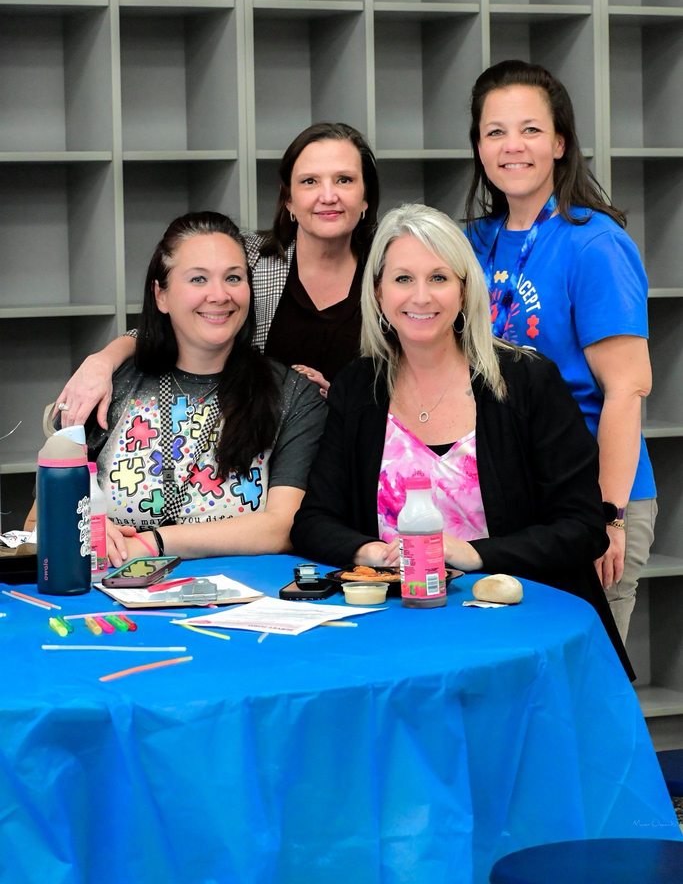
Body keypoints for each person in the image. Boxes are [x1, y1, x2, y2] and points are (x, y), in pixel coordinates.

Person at [290, 203, 632, 677]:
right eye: (403, 279)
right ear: (378, 292)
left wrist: (475, 554)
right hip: (392, 634)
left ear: (465, 288)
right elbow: (313, 520)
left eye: (439, 277)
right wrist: (369, 552)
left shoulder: (527, 380)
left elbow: (581, 526)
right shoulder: (358, 386)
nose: (421, 297)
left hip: (519, 633)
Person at [464, 59, 655, 643]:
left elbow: (627, 388)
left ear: (560, 142)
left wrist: (608, 518)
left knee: (585, 691)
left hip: (589, 500)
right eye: (495, 131)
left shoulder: (595, 243)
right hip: (507, 500)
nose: (511, 146)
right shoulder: (472, 242)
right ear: (478, 145)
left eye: (530, 129)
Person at [54, 122, 380, 425]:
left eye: (344, 180)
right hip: (255, 449)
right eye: (310, 181)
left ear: (366, 197)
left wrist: (341, 395)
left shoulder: (389, 274)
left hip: (356, 452)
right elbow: (166, 328)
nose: (328, 195)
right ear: (289, 201)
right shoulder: (246, 260)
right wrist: (102, 360)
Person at [59, 211, 326, 565]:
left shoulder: (292, 395)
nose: (219, 295)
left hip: (243, 603)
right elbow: (40, 519)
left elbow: (282, 527)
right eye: (198, 279)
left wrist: (152, 543)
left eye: (233, 277)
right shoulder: (110, 385)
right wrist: (82, 526)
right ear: (162, 295)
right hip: (114, 594)